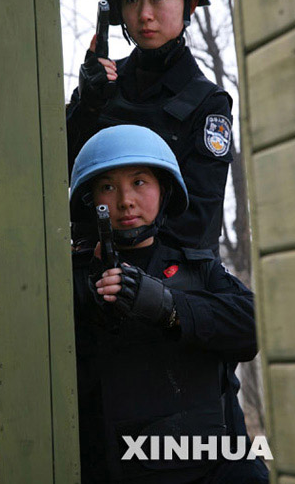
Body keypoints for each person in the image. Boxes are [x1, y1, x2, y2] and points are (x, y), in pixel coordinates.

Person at [70, 125, 269, 484]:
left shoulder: (199, 268)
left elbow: (256, 328)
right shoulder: (69, 278)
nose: (125, 200)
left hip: (213, 467)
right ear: (91, 201)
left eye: (140, 182)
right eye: (108, 187)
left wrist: (166, 305)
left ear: (164, 190)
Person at [67, 0, 233, 256]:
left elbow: (197, 220)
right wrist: (86, 106)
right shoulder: (102, 86)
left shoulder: (207, 103)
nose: (144, 14)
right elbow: (59, 173)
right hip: (91, 269)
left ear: (191, 3)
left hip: (174, 280)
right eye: (131, 0)